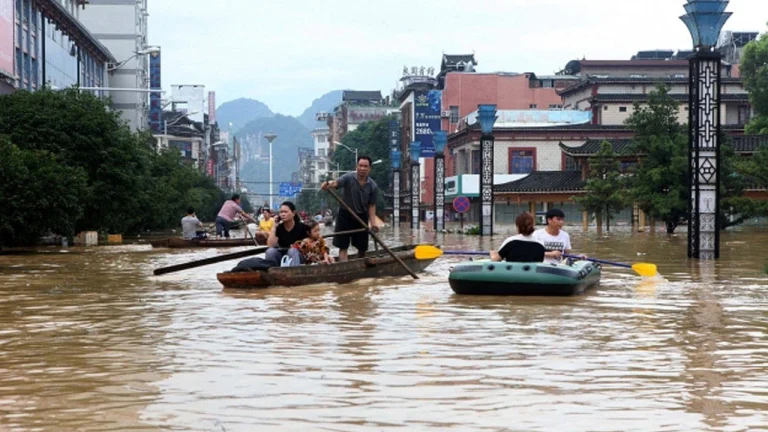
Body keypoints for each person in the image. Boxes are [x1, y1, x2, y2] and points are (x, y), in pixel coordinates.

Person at [320, 156, 379, 261]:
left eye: (365, 166)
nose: (362, 168)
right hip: (345, 215)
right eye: (360, 165)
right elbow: (336, 182)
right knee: (343, 246)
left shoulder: (372, 186)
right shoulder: (348, 178)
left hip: (361, 217)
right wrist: (328, 184)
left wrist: (373, 224)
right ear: (356, 167)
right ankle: (344, 265)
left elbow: (372, 205)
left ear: (370, 169)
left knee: (362, 247)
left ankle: (359, 261)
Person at [265, 201, 309, 267]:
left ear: (293, 213)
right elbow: (270, 245)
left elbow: (310, 242)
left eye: (285, 212)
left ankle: (293, 274)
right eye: (281, 212)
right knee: (270, 251)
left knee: (292, 251)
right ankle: (272, 274)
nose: (282, 214)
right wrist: (274, 226)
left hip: (298, 257)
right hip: (282, 256)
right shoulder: (279, 228)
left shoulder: (303, 227)